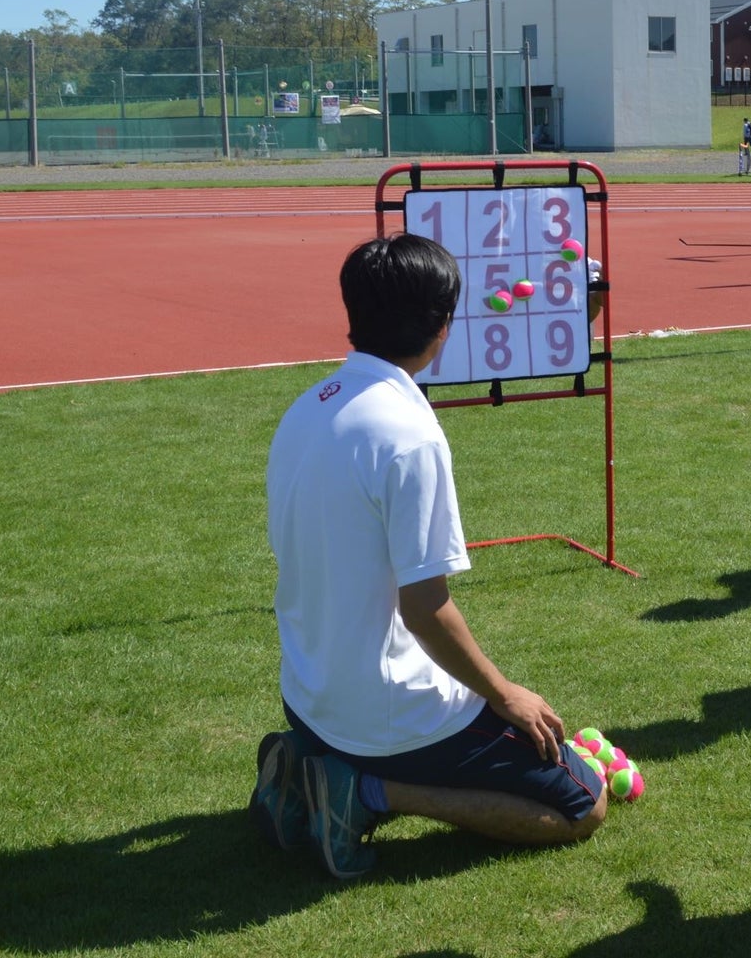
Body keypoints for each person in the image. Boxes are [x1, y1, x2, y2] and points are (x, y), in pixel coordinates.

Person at [250, 234, 607, 879]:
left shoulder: (305, 408)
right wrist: (506, 695)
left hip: (307, 698)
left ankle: (312, 761)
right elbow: (425, 609)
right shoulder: (410, 437)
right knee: (585, 803)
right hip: (382, 714)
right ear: (442, 328)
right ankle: (362, 792)